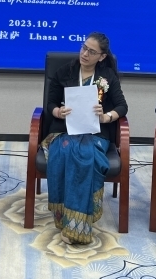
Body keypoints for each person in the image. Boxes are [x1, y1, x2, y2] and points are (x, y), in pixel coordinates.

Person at [44, 32, 128, 245]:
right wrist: (57, 112)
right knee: (66, 150)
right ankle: (67, 218)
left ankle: (76, 226)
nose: (84, 54)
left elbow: (122, 106)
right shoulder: (65, 72)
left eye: (91, 51)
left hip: (95, 133)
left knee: (85, 154)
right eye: (83, 48)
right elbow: (50, 103)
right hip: (64, 130)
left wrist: (106, 116)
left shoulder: (107, 76)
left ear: (102, 56)